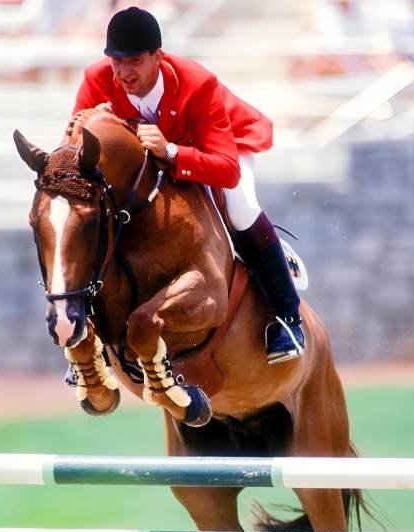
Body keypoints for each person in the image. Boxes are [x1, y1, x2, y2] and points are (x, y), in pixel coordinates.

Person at [72, 6, 304, 364]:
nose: (123, 72)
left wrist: (171, 151)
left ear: (158, 57)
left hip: (220, 147)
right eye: (117, 61)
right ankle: (84, 332)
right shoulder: (96, 79)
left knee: (241, 208)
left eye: (134, 61)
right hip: (151, 158)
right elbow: (76, 147)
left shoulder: (198, 83)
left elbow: (227, 169)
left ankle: (287, 318)